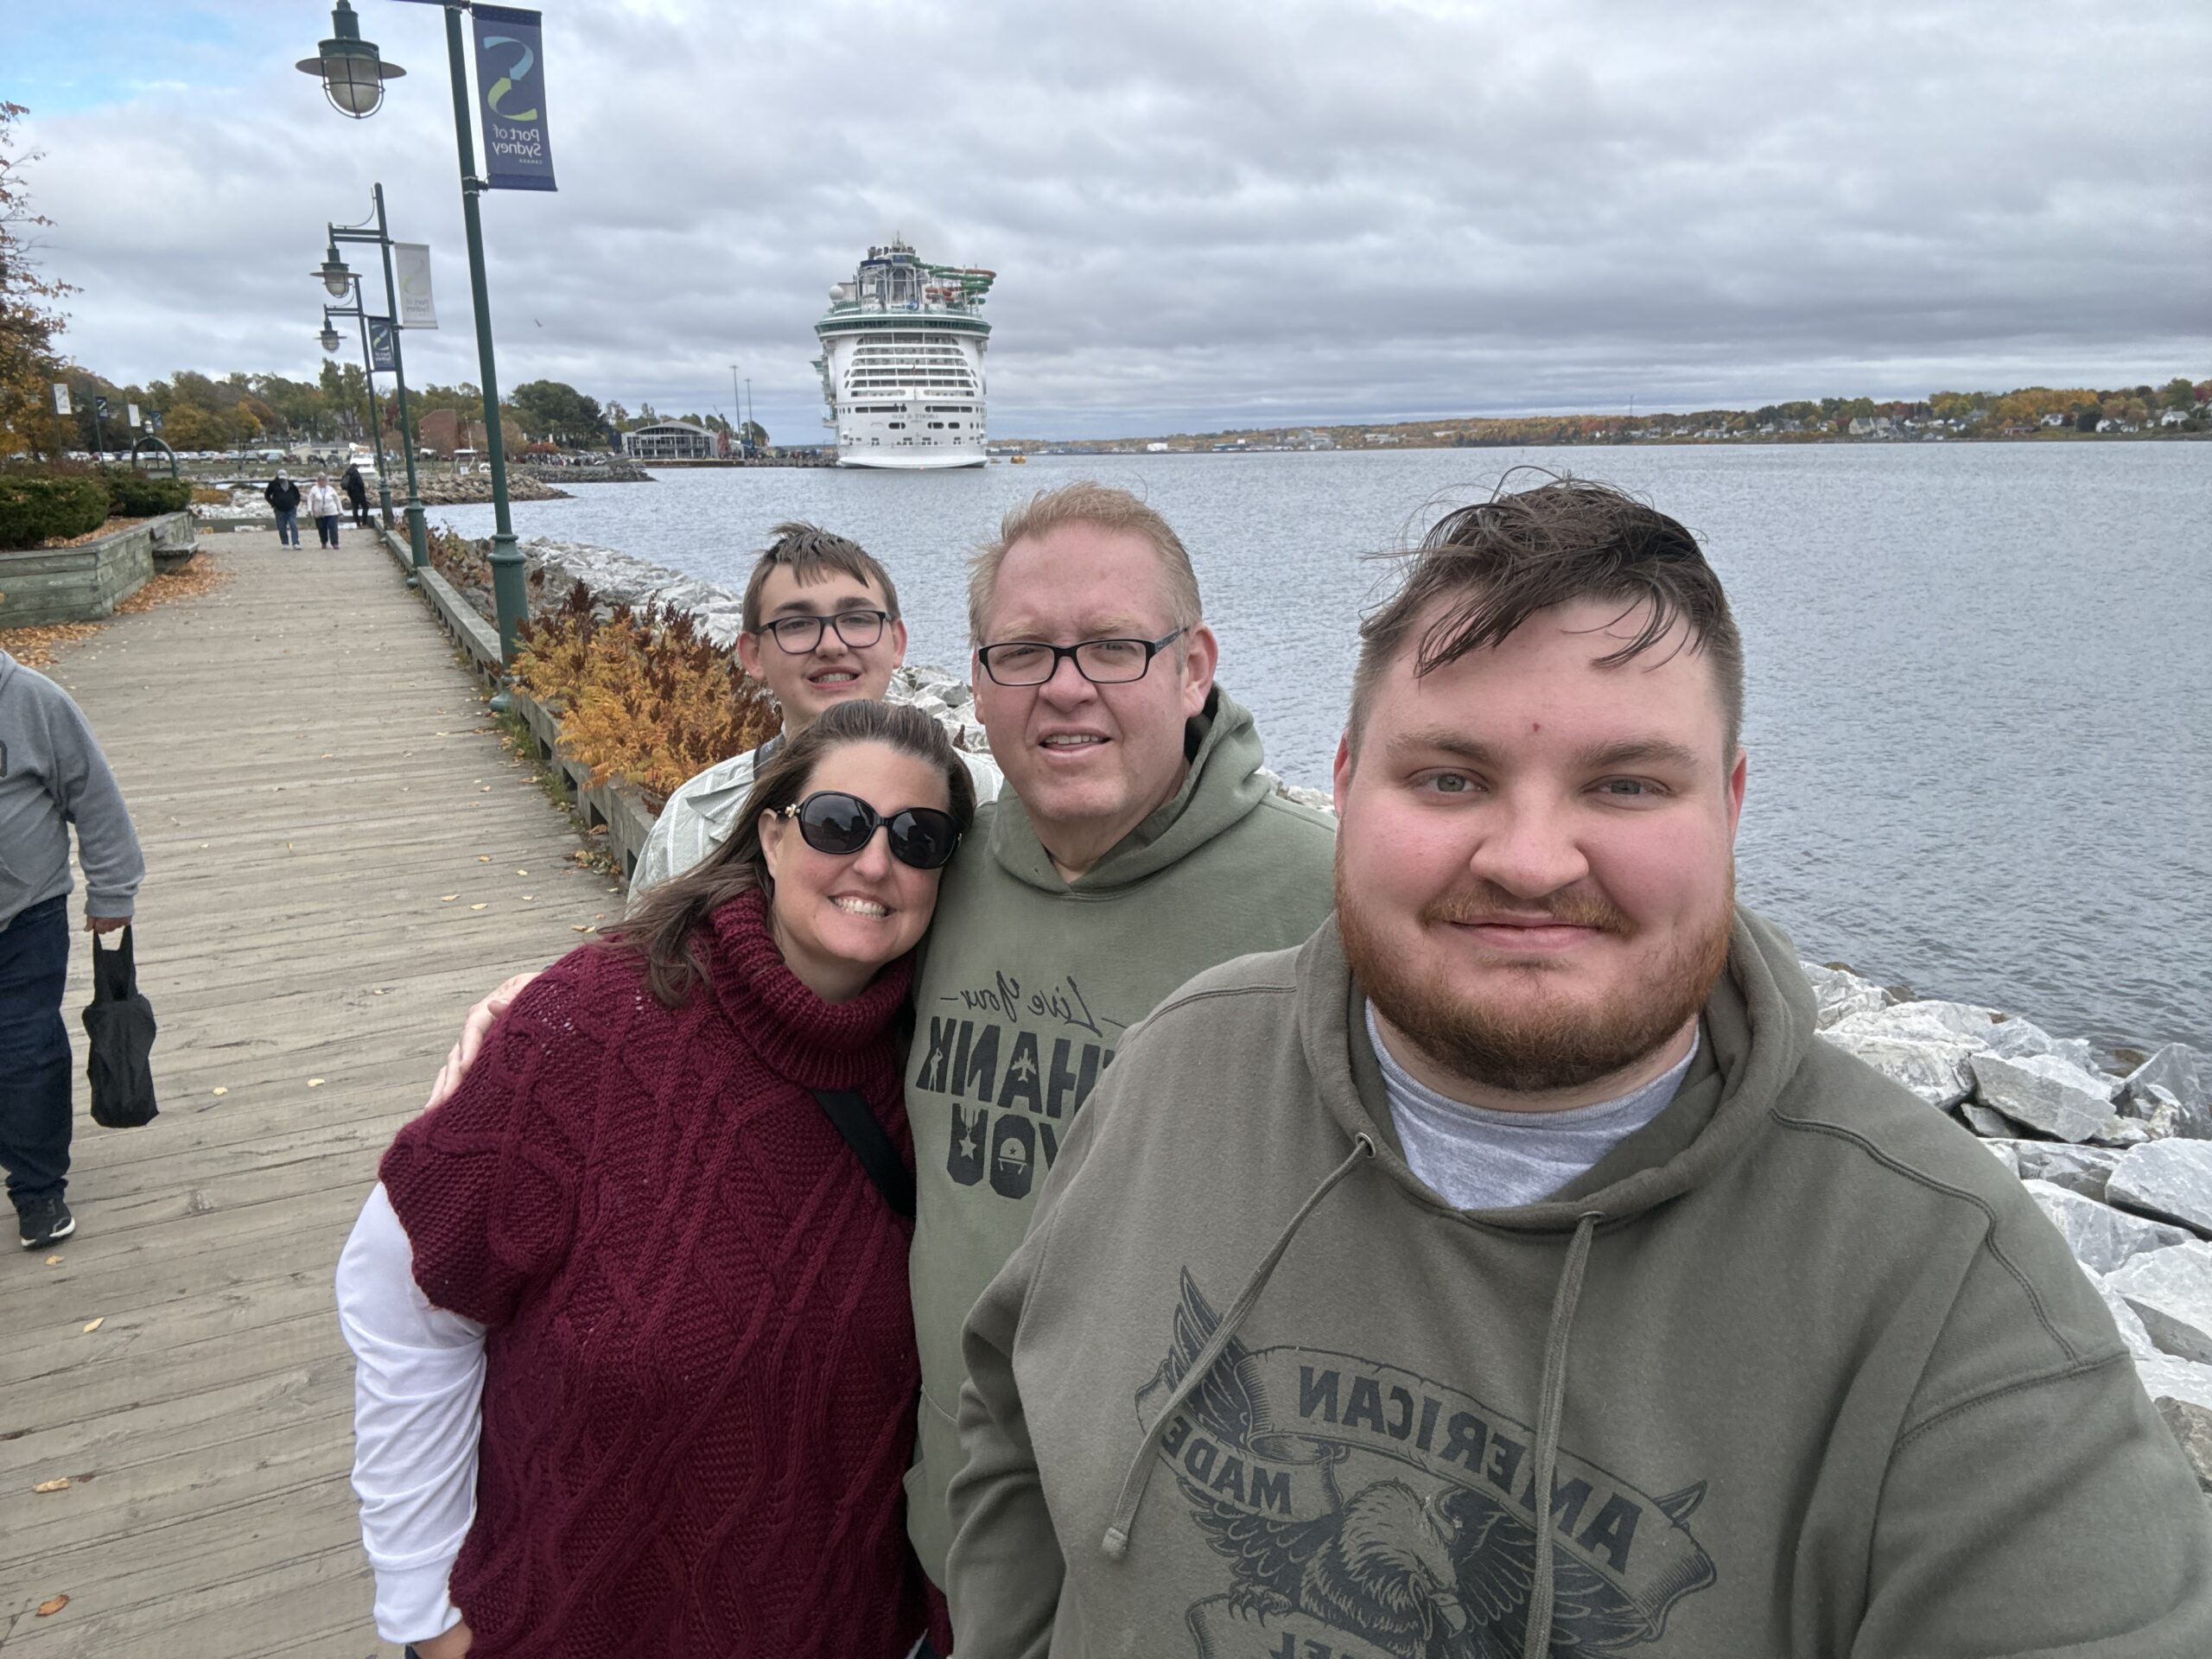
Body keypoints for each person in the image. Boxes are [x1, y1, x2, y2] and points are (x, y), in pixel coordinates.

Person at [946, 479, 2212, 1656]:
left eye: (1623, 784)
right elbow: (1009, 1419)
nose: (1532, 859)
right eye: (1450, 776)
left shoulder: (1942, 1285)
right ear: (1343, 785)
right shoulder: (1180, 1069)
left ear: (1730, 801)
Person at [422, 484, 1342, 1626]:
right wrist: (557, 1007)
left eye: (1114, 646)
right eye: (1022, 652)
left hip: (1192, 1578)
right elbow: (778, 970)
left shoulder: (1330, 905)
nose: (1065, 685)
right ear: (980, 677)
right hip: (938, 1545)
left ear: (1193, 666)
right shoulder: (951, 868)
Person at [337, 698, 978, 1659]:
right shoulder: (590, 1029)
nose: (876, 863)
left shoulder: (944, 1072)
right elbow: (401, 1292)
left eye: (918, 838)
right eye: (839, 823)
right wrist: (426, 1610)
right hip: (577, 1616)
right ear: (769, 832)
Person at [630, 521, 1001, 899]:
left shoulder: (990, 796)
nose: (830, 645)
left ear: (896, 642)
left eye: (857, 619)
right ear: (753, 655)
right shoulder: (691, 819)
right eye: (797, 624)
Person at [0, 647, 143, 1250]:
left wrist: (112, 887)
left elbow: (93, 793)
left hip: (25, 913)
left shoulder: (31, 699)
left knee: (24, 1048)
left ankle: (37, 1189)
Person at [264, 470, 302, 547]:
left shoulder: (291, 484)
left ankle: (296, 543)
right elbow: (267, 495)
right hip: (279, 510)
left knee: (293, 525)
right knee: (281, 527)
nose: (282, 480)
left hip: (291, 509)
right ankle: (285, 542)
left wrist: (296, 504)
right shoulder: (273, 484)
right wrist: (273, 504)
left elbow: (297, 495)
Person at [307, 474, 343, 549]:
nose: (322, 482)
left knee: (333, 528)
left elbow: (337, 500)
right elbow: (310, 500)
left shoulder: (331, 489)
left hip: (331, 512)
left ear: (326, 481)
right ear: (318, 481)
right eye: (320, 480)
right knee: (322, 528)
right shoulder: (314, 489)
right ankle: (324, 542)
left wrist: (340, 510)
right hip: (319, 513)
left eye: (324, 480)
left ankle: (335, 543)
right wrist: (309, 510)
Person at [341, 462, 372, 528]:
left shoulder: (347, 473)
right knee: (365, 507)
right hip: (359, 493)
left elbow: (344, 484)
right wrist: (363, 491)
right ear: (356, 467)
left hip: (351, 494)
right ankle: (364, 524)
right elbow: (360, 483)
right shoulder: (355, 473)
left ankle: (358, 524)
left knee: (355, 509)